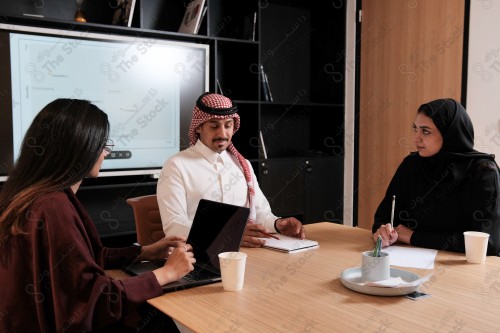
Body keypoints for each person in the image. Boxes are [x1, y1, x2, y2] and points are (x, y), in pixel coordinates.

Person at [0, 99, 196, 332]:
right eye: (102, 144)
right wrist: (166, 273)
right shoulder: (53, 207)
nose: (106, 152)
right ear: (80, 147)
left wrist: (144, 252)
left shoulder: (30, 196)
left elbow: (82, 261)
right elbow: (95, 302)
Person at [157, 92, 305, 247]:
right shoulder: (176, 165)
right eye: (214, 126)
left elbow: (261, 214)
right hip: (197, 259)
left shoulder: (243, 165)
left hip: (247, 255)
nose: (222, 133)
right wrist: (229, 236)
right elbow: (174, 226)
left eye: (228, 125)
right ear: (199, 127)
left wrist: (277, 224)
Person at [372, 98, 500, 256]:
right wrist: (382, 231)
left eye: (425, 131)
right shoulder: (411, 165)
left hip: (461, 269)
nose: (416, 138)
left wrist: (414, 237)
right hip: (407, 261)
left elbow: (488, 244)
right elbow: (383, 217)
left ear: (449, 134)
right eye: (415, 129)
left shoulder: (483, 172)